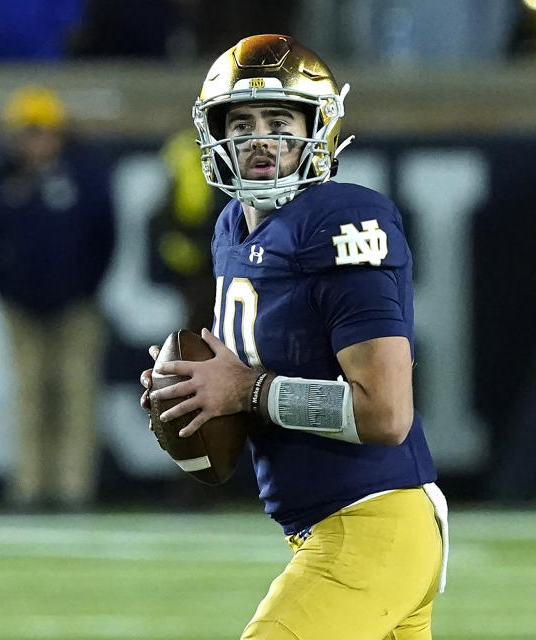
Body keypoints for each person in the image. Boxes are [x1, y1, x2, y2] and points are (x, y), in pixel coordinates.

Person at [139, 34, 448, 639]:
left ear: (318, 129)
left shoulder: (343, 219)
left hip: (371, 524)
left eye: (280, 120)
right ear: (215, 134)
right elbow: (250, 380)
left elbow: (387, 413)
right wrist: (194, 390)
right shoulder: (231, 228)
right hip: (335, 530)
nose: (259, 138)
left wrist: (247, 392)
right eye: (243, 121)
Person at [0, 85, 115, 511]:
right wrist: (5, 288)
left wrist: (86, 287)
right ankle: (29, 487)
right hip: (21, 306)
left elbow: (105, 236)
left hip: (76, 305)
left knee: (76, 394)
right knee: (28, 395)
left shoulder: (83, 174)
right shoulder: (1, 177)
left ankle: (74, 489)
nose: (36, 141)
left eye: (43, 132)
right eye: (28, 132)